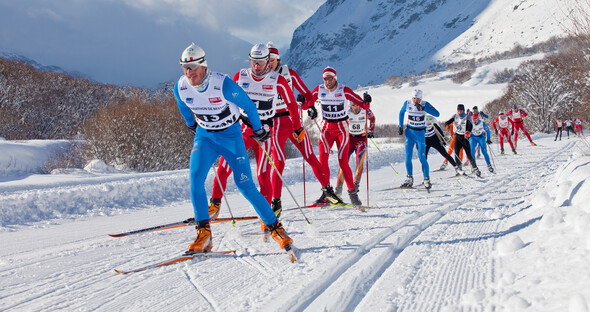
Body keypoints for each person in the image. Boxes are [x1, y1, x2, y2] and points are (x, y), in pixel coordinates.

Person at [173, 43, 292, 253]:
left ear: (203, 65)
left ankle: (275, 228)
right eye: (185, 67)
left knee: (245, 184)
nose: (188, 71)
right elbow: (183, 106)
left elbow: (247, 105)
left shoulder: (223, 84)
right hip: (206, 137)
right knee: (195, 180)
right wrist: (192, 125)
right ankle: (204, 234)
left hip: (231, 137)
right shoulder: (181, 86)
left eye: (192, 66)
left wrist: (257, 129)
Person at [209, 43, 303, 231]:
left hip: (265, 134)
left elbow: (292, 104)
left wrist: (297, 127)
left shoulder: (277, 80)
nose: (257, 66)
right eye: (253, 61)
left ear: (268, 61)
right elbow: (226, 101)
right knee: (224, 168)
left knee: (262, 175)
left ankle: (265, 216)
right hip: (242, 131)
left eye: (260, 62)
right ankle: (214, 205)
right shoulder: (240, 76)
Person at [265, 42, 342, 214]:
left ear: (278, 59)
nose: (269, 63)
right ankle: (276, 201)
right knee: (278, 162)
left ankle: (327, 191)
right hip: (275, 124)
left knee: (310, 156)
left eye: (273, 59)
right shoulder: (261, 77)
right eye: (267, 59)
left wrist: (308, 104)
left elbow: (307, 95)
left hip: (294, 122)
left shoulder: (289, 73)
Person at [303, 66, 371, 205]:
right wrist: (307, 104)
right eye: (325, 79)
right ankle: (326, 192)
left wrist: (367, 101)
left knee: (342, 162)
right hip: (326, 129)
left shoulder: (343, 89)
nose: (328, 82)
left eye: (330, 79)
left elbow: (363, 105)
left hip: (341, 129)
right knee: (322, 160)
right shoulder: (319, 89)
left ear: (335, 78)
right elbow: (306, 104)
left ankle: (352, 193)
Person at [398, 89, 441, 188]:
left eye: (417, 99)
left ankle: (426, 179)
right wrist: (400, 126)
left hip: (420, 134)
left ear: (421, 98)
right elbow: (401, 113)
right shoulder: (407, 103)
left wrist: (425, 108)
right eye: (413, 98)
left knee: (422, 156)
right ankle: (409, 178)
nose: (415, 101)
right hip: (409, 133)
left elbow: (437, 114)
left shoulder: (425, 104)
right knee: (408, 156)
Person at [334, 101, 375, 195]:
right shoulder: (346, 111)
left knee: (359, 160)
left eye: (356, 106)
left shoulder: (365, 110)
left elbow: (372, 118)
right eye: (353, 106)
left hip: (361, 139)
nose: (355, 108)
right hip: (349, 139)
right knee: (343, 163)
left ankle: (356, 184)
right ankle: (338, 188)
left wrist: (371, 130)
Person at [445, 104, 482, 177]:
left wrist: (468, 131)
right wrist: (446, 125)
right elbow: (448, 121)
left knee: (468, 154)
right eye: (458, 110)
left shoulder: (467, 117)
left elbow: (470, 125)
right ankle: (459, 167)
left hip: (464, 137)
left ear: (463, 110)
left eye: (461, 110)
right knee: (456, 153)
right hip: (457, 136)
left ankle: (475, 168)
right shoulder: (455, 116)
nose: (459, 112)